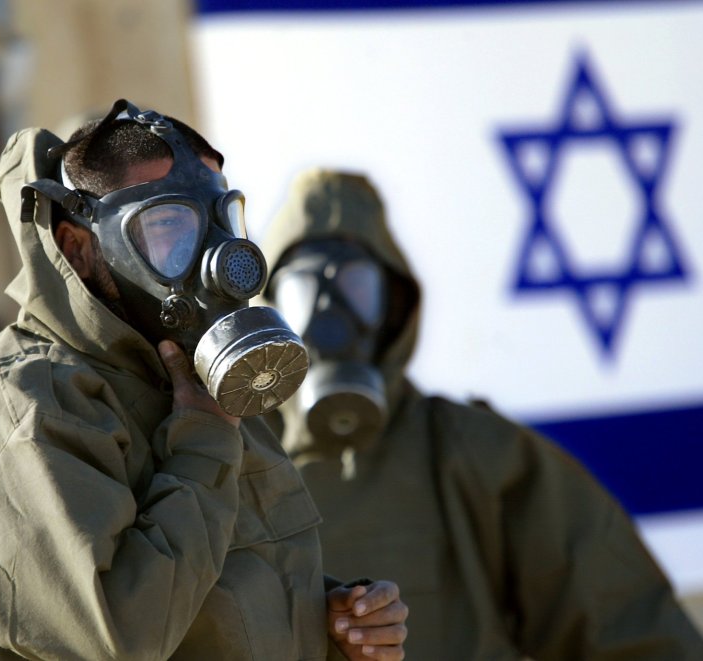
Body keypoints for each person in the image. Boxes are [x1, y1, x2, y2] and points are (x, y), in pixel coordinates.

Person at [0, 100, 409, 660]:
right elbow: (119, 638)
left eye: (223, 223)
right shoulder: (21, 408)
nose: (219, 259)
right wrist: (205, 441)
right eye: (172, 228)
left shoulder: (182, 381)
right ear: (79, 246)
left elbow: (212, 594)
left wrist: (332, 625)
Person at [260, 167, 703, 660]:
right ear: (271, 308)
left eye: (357, 289)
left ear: (395, 307)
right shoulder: (235, 460)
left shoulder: (471, 454)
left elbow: (629, 624)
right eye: (303, 292)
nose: (331, 314)